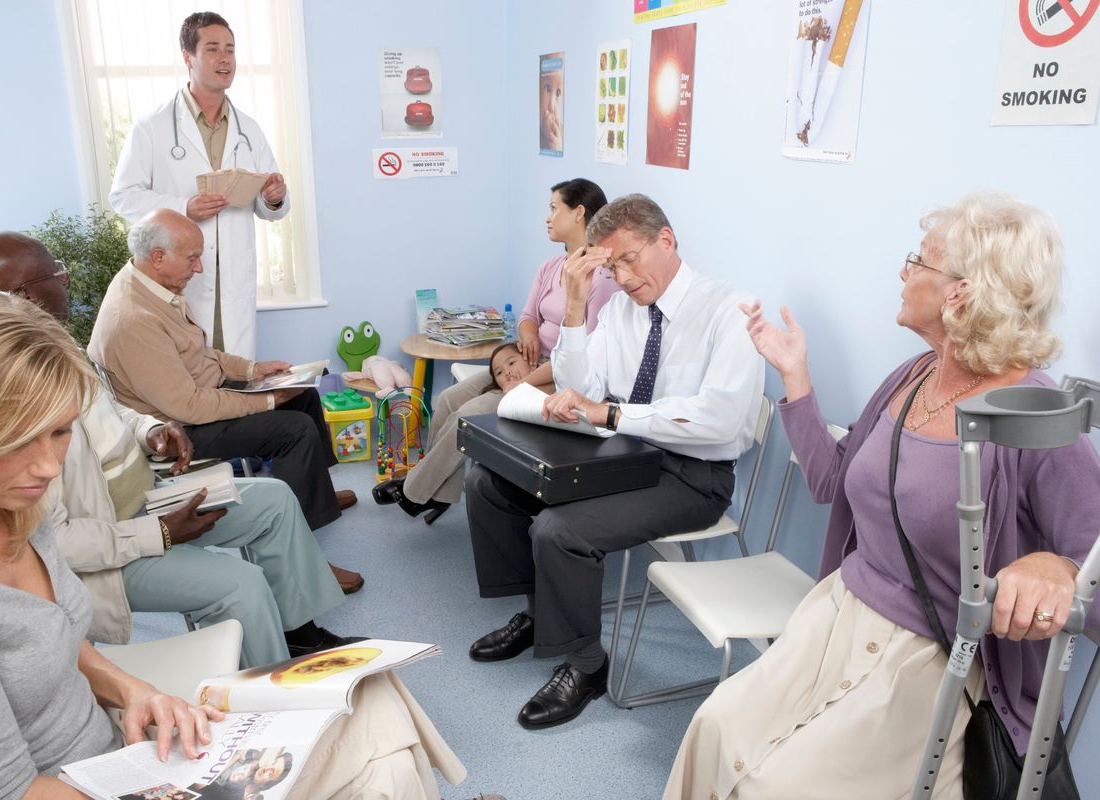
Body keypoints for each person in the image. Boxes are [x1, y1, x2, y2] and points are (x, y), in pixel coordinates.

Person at [0, 291, 475, 800]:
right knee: (379, 763)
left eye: (59, 432)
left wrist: (136, 691)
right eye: (21, 440)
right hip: (80, 784)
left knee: (369, 693)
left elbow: (57, 639)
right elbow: (2, 791)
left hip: (120, 752)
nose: (50, 466)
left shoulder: (17, 509)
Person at [663, 191, 1100, 799]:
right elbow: (831, 483)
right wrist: (796, 378)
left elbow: (1091, 583)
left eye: (918, 261)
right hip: (836, 615)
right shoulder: (915, 376)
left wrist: (1054, 566)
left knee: (778, 789)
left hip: (932, 660)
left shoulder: (1034, 421)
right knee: (713, 729)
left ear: (961, 293)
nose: (903, 271)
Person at [0, 232, 363, 667]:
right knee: (241, 583)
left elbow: (112, 412)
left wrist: (151, 430)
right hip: (111, 544)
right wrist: (161, 533)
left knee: (275, 501)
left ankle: (299, 639)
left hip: (146, 496)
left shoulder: (55, 346)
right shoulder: (9, 406)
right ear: (23, 295)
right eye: (58, 273)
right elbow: (56, 543)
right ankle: (273, 688)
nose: (66, 281)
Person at [465, 193, 765, 729]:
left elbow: (718, 421)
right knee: (490, 481)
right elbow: (581, 387)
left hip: (693, 476)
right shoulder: (623, 309)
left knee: (559, 529)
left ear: (666, 241)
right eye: (611, 266)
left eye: (630, 260)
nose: (622, 278)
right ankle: (540, 613)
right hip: (621, 454)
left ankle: (586, 665)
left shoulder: (729, 310)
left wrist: (612, 415)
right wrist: (577, 308)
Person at [88, 209, 354, 532]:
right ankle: (306, 531)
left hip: (203, 396)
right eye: (192, 258)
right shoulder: (133, 319)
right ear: (158, 257)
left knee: (306, 398)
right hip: (184, 429)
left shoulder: (154, 285)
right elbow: (189, 407)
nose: (199, 268)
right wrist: (269, 400)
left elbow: (201, 351)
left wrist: (254, 370)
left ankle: (315, 493)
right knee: (294, 429)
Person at [373, 178, 618, 519]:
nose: (546, 218)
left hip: (559, 375)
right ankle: (439, 491)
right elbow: (528, 315)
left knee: (468, 414)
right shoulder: (551, 267)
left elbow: (585, 355)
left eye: (553, 209)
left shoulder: (602, 279)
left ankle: (415, 491)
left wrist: (525, 382)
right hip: (526, 357)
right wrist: (529, 334)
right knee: (447, 399)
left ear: (578, 213)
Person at [109, 11, 288, 359]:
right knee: (187, 374)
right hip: (179, 271)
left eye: (230, 50)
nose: (224, 58)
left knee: (235, 373)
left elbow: (272, 205)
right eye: (212, 49)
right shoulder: (152, 127)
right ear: (187, 57)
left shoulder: (248, 129)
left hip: (233, 274)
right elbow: (123, 197)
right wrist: (182, 208)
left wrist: (274, 197)